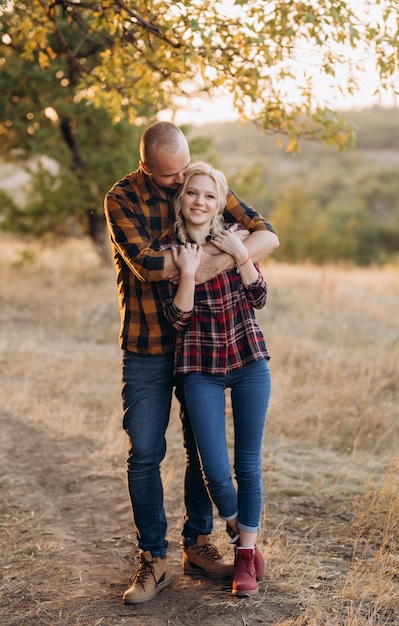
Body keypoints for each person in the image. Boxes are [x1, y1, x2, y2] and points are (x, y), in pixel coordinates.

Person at [104, 122, 278, 604]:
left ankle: (199, 544)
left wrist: (227, 253)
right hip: (148, 343)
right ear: (147, 169)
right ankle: (153, 559)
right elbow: (147, 264)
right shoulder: (121, 199)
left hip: (207, 351)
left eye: (188, 174)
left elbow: (268, 235)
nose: (186, 187)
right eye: (173, 179)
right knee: (144, 451)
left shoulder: (201, 185)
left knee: (202, 452)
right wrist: (205, 260)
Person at [156, 162, 271, 596]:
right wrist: (187, 272)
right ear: (180, 198)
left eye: (209, 195)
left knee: (248, 464)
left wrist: (241, 256)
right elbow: (177, 319)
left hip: (248, 360)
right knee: (215, 470)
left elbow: (259, 297)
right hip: (199, 366)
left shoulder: (235, 238)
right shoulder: (170, 249)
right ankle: (239, 528)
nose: (200, 202)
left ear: (219, 202)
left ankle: (245, 557)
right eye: (192, 193)